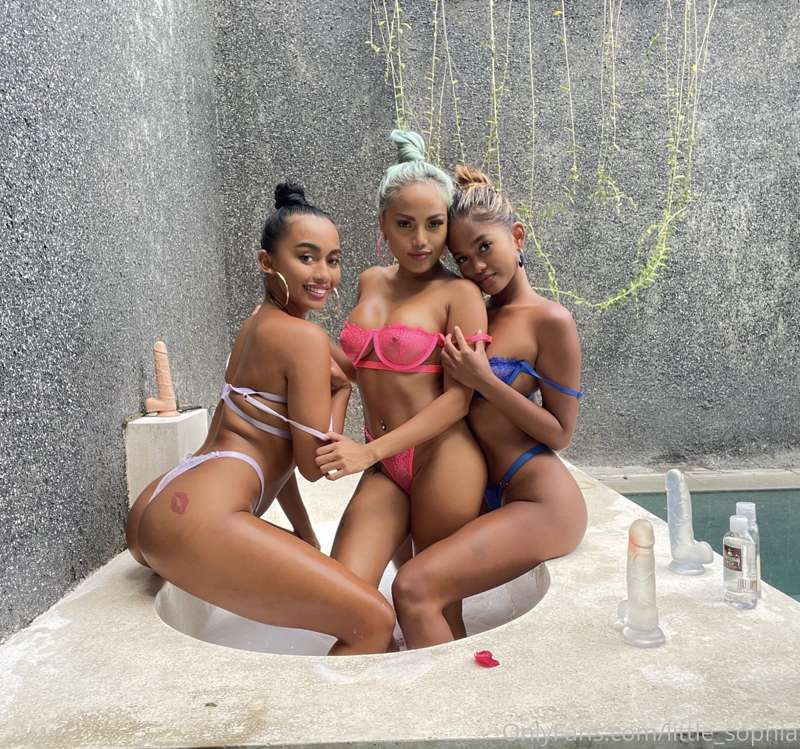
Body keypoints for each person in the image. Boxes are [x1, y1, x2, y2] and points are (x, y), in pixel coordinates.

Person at [126, 184, 395, 655]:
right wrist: (342, 393)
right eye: (306, 257)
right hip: (198, 519)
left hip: (157, 508)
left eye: (333, 260)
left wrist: (306, 535)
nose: (324, 274)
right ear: (267, 262)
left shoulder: (257, 322)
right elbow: (312, 464)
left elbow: (275, 452)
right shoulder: (302, 340)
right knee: (374, 622)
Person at [390, 166, 588, 648]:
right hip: (478, 490)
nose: (476, 266)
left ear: (516, 237)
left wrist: (485, 380)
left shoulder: (550, 320)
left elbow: (561, 432)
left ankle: (445, 696)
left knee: (413, 588)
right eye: (462, 257)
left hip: (539, 498)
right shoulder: (473, 310)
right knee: (415, 569)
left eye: (484, 247)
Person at [315, 131, 489, 641]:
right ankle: (384, 676)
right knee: (345, 601)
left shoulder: (459, 294)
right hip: (384, 463)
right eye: (405, 224)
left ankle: (446, 687)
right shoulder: (369, 281)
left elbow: (458, 401)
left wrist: (368, 453)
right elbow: (362, 368)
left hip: (443, 458)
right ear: (383, 226)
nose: (421, 240)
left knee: (434, 607)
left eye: (434, 224)